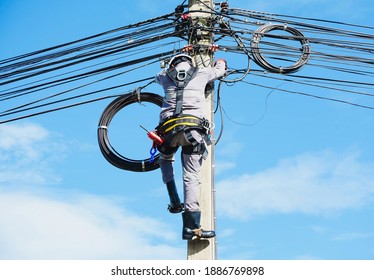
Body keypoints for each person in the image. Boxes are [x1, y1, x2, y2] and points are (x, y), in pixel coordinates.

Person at [155, 53, 227, 240]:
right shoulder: (202, 72)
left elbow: (158, 76)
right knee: (191, 177)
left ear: (172, 64)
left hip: (169, 132)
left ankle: (173, 199)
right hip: (193, 132)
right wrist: (220, 62)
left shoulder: (164, 76)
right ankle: (191, 227)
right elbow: (219, 71)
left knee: (164, 159)